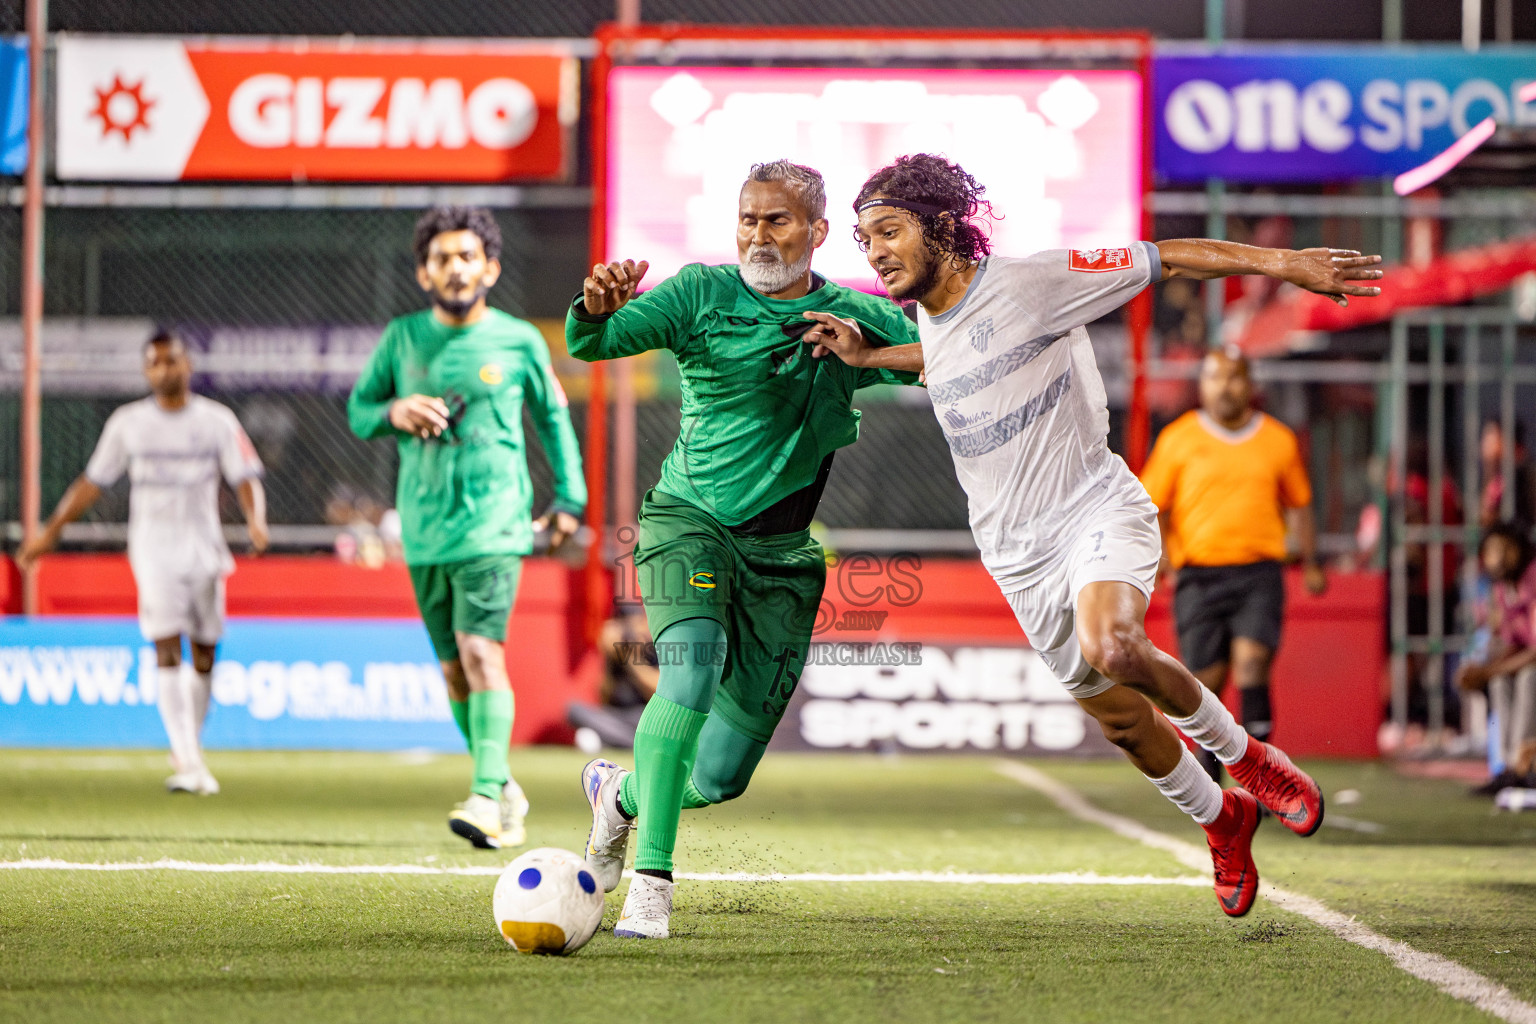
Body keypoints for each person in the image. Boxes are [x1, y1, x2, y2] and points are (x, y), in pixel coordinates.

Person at [807, 153, 1383, 917]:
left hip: (1092, 509)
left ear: (942, 227)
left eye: (888, 230)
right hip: (1015, 556)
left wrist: (1285, 263)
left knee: (1113, 645)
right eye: (863, 237)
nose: (872, 250)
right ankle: (1223, 819)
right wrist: (874, 357)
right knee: (1119, 720)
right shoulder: (932, 319)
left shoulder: (1034, 282)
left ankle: (1254, 763)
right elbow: (953, 361)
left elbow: (1169, 257)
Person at [567, 160, 922, 938]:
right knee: (686, 677)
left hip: (783, 559)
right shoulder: (700, 293)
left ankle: (619, 798)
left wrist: (867, 353)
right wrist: (593, 310)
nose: (759, 235)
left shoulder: (853, 315)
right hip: (686, 524)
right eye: (749, 219)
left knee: (722, 776)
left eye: (778, 221)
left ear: (819, 232)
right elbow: (595, 342)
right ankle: (651, 886)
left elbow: (953, 360)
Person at [348, 205, 586, 850]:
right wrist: (394, 408)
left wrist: (571, 496)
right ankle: (502, 785)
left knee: (482, 654)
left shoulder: (518, 341)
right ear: (424, 274)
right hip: (425, 529)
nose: (456, 269)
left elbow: (553, 419)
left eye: (466, 257)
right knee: (454, 670)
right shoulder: (402, 340)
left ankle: (484, 797)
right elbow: (359, 411)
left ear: (491, 267)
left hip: (495, 523)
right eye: (442, 259)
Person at [18, 329, 268, 796]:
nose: (164, 370)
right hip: (153, 550)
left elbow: (245, 476)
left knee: (206, 652)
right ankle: (190, 761)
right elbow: (93, 482)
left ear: (187, 365)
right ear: (145, 370)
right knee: (166, 647)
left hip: (204, 549)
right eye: (154, 363)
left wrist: (257, 521)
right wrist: (51, 531)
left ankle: (188, 748)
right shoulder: (128, 423)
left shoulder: (216, 421)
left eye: (171, 361)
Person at [1139, 347, 1325, 782]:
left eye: (1234, 377)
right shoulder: (1178, 439)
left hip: (1258, 572)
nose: (1225, 386)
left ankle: (1265, 776)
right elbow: (1151, 504)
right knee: (1206, 682)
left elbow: (1300, 504)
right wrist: (1162, 554)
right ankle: (1211, 782)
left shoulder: (1278, 440)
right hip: (1198, 576)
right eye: (1215, 377)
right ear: (1201, 385)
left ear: (1250, 384)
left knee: (1252, 665)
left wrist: (1312, 561)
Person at [1458, 522, 1536, 794]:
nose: (1499, 558)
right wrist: (1483, 670)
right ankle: (1504, 767)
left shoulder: (1533, 579)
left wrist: (1487, 671)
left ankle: (1524, 766)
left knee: (1527, 677)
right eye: (1492, 551)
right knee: (1501, 680)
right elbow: (1514, 644)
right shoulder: (1504, 590)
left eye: (1506, 549)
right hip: (1524, 659)